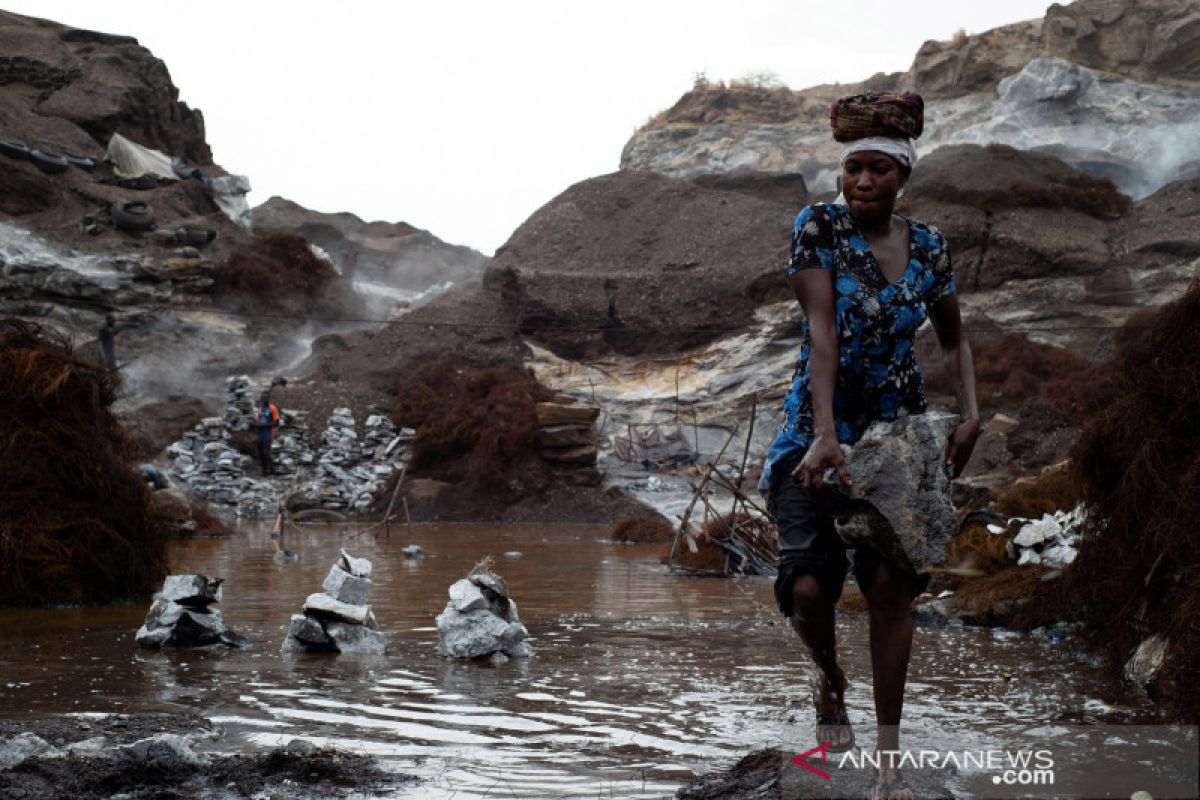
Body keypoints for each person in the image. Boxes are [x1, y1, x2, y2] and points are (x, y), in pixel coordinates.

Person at [759, 92, 979, 800]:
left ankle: (887, 763)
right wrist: (824, 434)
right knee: (807, 587)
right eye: (852, 169)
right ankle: (829, 680)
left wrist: (971, 414)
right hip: (812, 428)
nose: (860, 183)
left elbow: (954, 336)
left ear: (902, 177)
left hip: (898, 437)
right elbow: (822, 332)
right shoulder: (816, 227)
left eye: (877, 170)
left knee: (890, 592)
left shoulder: (933, 246)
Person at [253, 393, 281, 476]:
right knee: (260, 453)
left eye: (265, 399)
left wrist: (264, 425)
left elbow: (276, 423)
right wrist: (255, 425)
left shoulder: (272, 408)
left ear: (268, 399)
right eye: (262, 399)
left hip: (268, 434)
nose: (263, 400)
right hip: (260, 434)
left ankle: (273, 470)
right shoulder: (260, 409)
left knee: (266, 453)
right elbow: (258, 420)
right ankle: (264, 471)